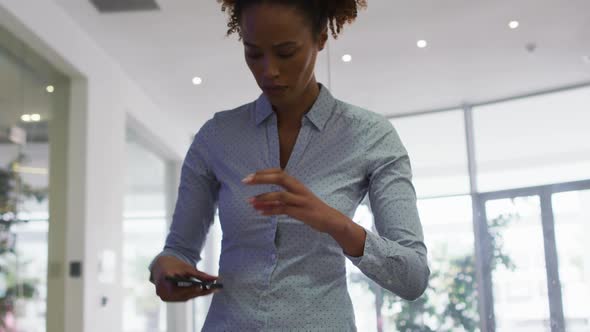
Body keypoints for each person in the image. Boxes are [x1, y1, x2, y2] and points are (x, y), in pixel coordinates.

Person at [149, 0, 430, 330]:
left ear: (321, 37)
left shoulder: (370, 136)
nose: (268, 71)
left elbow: (413, 277)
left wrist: (334, 223)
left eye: (286, 52)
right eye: (254, 53)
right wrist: (164, 270)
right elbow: (177, 251)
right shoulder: (217, 137)